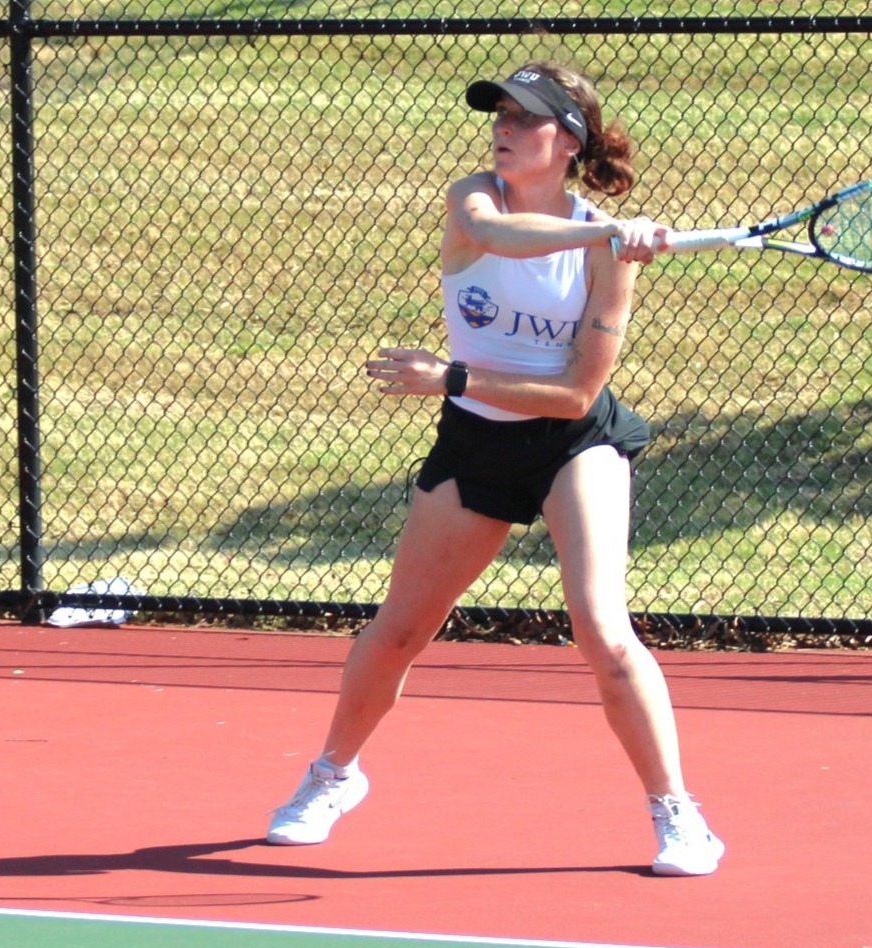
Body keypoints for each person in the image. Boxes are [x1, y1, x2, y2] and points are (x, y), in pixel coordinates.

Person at [265, 62, 724, 877]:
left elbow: (577, 392)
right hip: (473, 442)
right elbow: (505, 238)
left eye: (527, 118)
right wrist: (610, 231)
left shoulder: (605, 253)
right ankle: (331, 775)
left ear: (569, 142)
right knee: (398, 630)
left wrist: (450, 375)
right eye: (500, 113)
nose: (504, 128)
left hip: (572, 444)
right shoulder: (473, 201)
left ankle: (678, 815)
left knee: (602, 631)